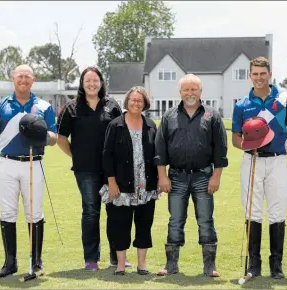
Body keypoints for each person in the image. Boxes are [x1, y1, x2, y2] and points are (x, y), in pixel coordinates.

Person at [0, 64, 58, 278]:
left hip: (33, 163)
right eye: (19, 76)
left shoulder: (44, 106)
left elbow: (54, 137)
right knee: (7, 212)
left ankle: (36, 262)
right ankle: (10, 262)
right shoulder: (1, 105)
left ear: (33, 80)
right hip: (6, 164)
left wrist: (41, 134)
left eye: (27, 77)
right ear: (13, 78)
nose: (23, 80)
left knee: (34, 213)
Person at [231, 56, 287, 280]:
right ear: (250, 75)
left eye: (263, 74)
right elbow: (235, 137)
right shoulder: (242, 104)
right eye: (255, 74)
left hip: (278, 161)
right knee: (252, 211)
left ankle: (276, 265)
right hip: (251, 161)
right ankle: (254, 265)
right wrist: (247, 145)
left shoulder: (283, 100)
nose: (259, 78)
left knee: (277, 212)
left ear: (269, 75)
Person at [56, 67, 132, 270]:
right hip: (85, 170)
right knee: (91, 212)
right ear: (82, 83)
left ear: (101, 82)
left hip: (111, 171)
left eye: (95, 80)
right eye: (87, 81)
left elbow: (122, 133)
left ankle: (118, 257)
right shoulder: (71, 108)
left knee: (115, 211)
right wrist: (76, 155)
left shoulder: (112, 106)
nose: (91, 84)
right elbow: (61, 138)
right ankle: (91, 258)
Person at [155, 73, 228, 277]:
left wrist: (216, 176)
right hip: (176, 177)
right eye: (186, 89)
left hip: (204, 177)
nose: (190, 93)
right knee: (175, 220)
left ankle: (209, 266)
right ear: (180, 92)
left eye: (193, 89)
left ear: (200, 91)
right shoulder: (169, 116)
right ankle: (171, 266)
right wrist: (162, 176)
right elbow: (160, 149)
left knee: (205, 220)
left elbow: (220, 150)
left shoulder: (212, 116)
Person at [100, 86, 159, 276]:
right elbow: (107, 155)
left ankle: (142, 265)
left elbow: (157, 154)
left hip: (145, 186)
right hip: (121, 185)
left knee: (144, 225)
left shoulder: (150, 125)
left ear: (145, 103)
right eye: (133, 100)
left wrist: (159, 179)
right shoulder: (115, 125)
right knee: (120, 226)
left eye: (140, 100)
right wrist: (111, 182)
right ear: (127, 102)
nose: (136, 103)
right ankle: (120, 265)